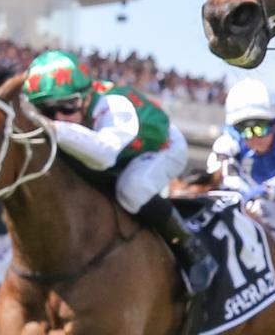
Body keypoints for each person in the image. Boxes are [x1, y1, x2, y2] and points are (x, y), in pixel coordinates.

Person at [23, 49, 218, 295]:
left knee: (131, 189)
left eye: (67, 106)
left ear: (85, 97)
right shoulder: (71, 114)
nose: (61, 117)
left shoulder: (112, 103)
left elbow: (104, 156)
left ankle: (192, 250)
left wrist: (51, 126)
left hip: (164, 149)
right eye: (47, 110)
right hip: (124, 155)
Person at [207, 79, 275, 285]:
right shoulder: (229, 138)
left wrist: (261, 190)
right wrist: (246, 195)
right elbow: (218, 173)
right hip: (258, 206)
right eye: (244, 130)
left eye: (260, 129)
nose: (253, 137)